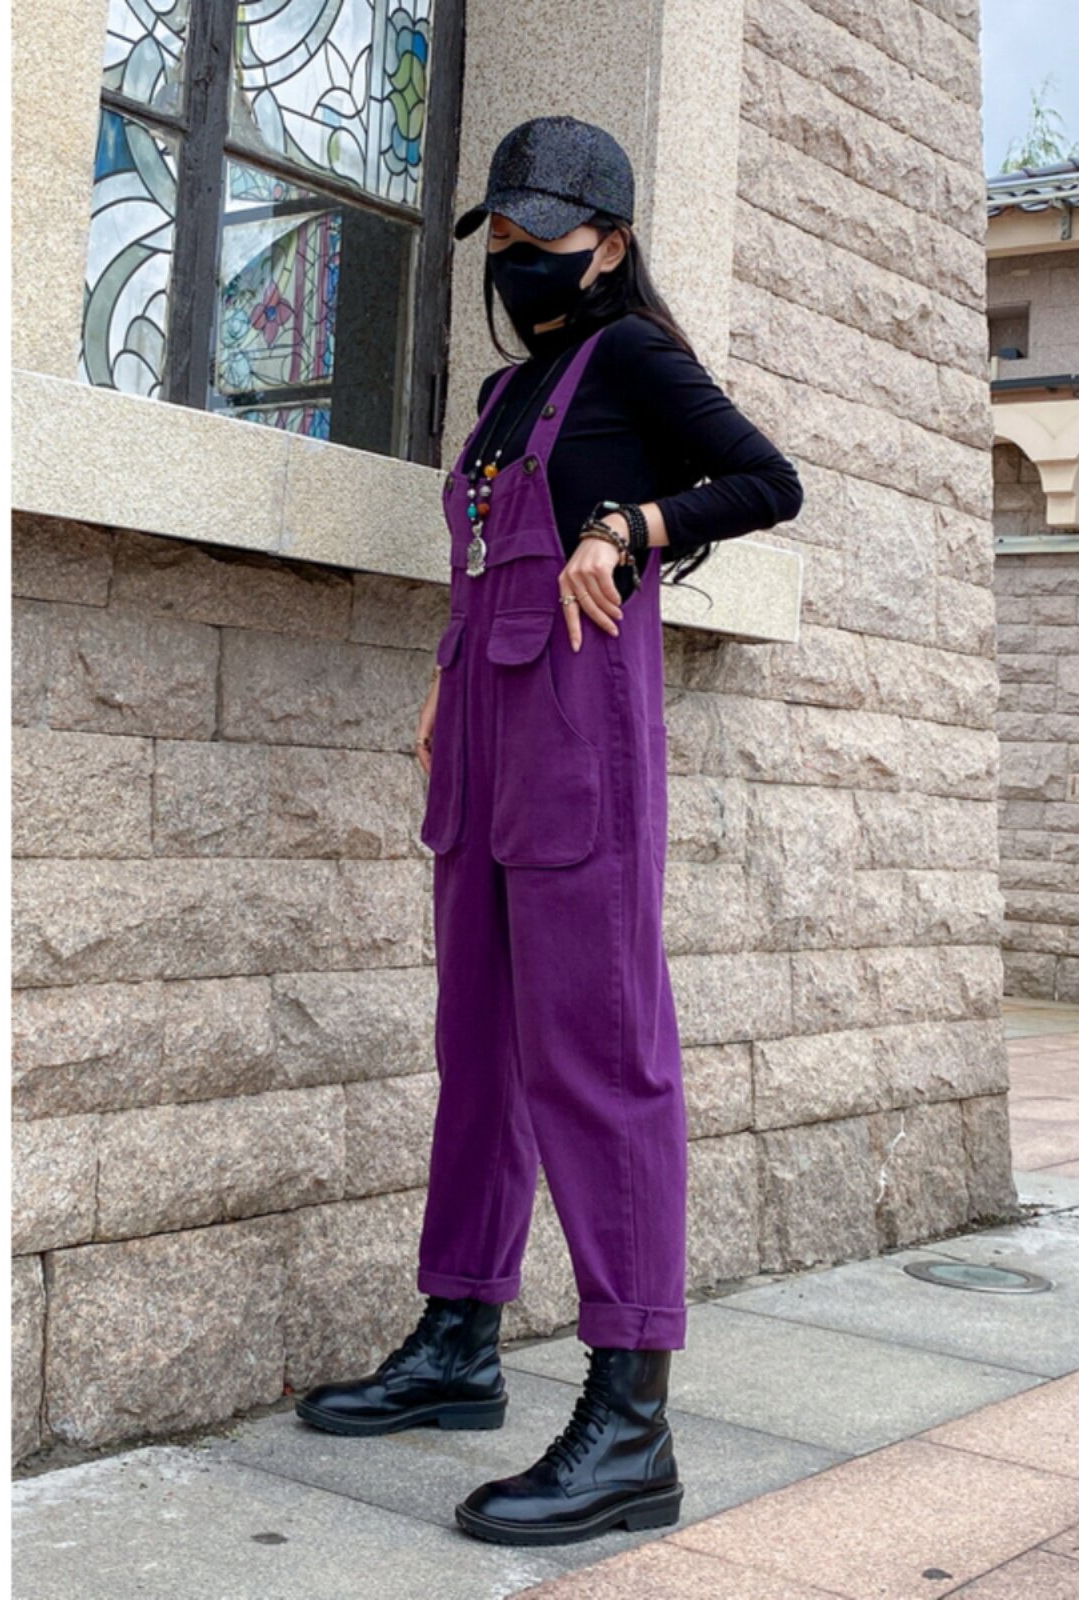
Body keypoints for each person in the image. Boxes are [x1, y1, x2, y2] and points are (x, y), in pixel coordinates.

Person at [296, 115, 805, 1548]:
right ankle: (458, 1340)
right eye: (504, 239)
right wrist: (440, 683)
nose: (518, 261)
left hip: (580, 747)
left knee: (600, 1061)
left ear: (610, 244)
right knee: (479, 1048)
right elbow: (479, 566)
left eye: (543, 239)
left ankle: (631, 1421)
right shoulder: (509, 391)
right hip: (481, 741)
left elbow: (768, 482)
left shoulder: (633, 359)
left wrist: (630, 528)